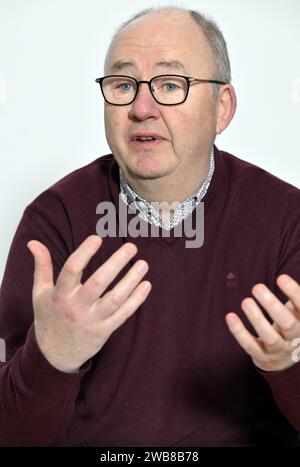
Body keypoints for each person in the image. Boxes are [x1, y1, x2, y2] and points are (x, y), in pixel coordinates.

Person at [0, 6, 300, 447]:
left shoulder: (285, 219)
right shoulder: (54, 220)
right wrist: (52, 359)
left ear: (222, 108)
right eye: (123, 85)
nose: (142, 108)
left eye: (170, 85)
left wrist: (288, 364)